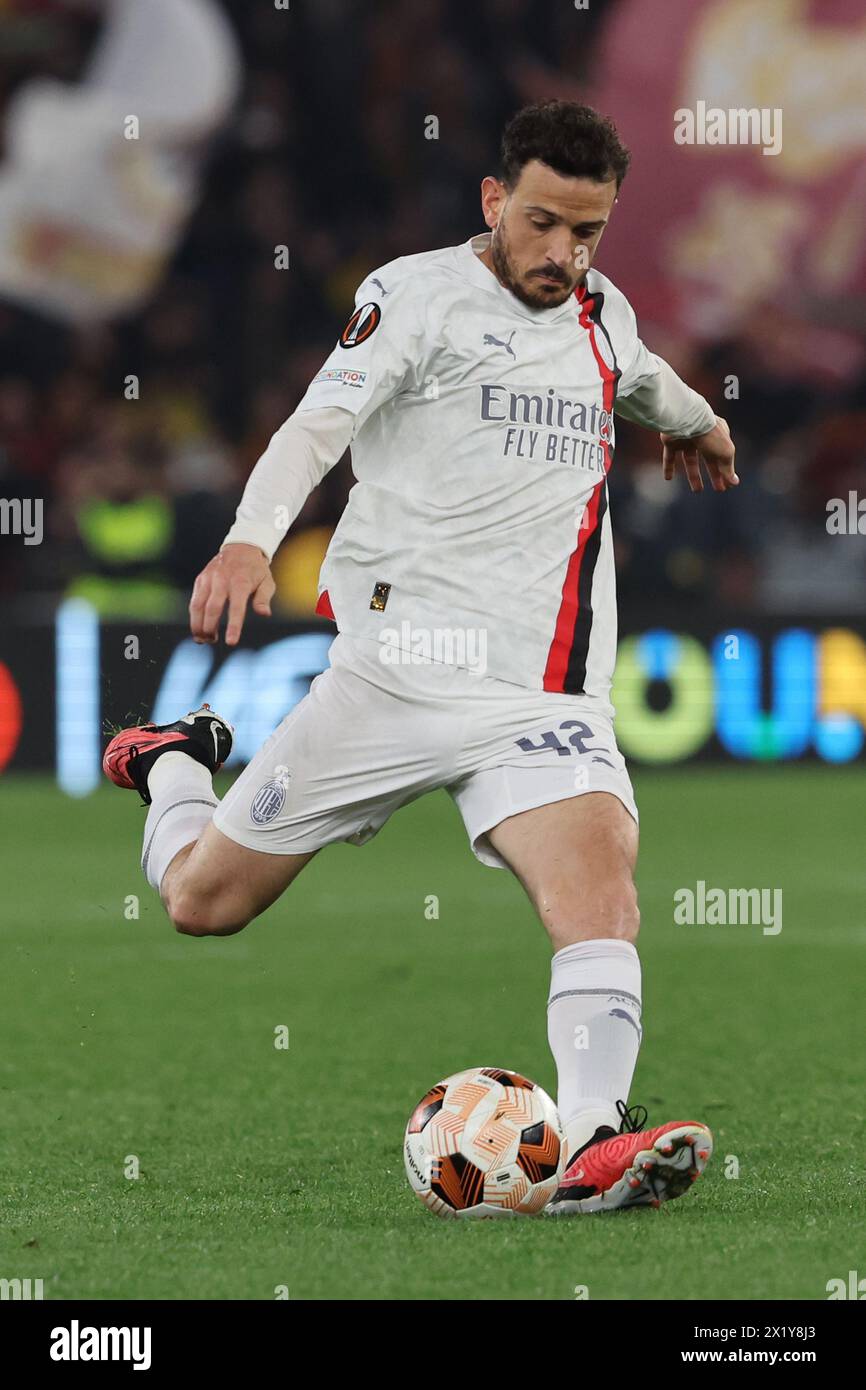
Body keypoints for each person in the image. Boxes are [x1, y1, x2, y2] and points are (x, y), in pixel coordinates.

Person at [104, 102, 737, 1214]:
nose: (560, 255)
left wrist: (696, 419)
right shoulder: (412, 295)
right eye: (540, 224)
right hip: (388, 679)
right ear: (492, 203)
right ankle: (169, 764)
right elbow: (318, 422)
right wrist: (251, 535)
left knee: (598, 890)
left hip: (540, 694)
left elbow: (636, 375)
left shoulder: (599, 310)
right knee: (204, 904)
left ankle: (591, 1142)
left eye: (585, 233)